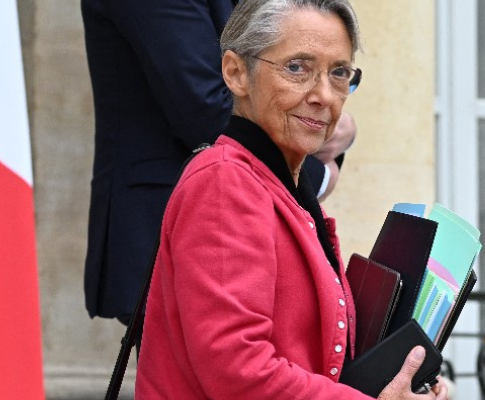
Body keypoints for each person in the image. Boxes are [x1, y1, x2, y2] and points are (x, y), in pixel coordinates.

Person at [134, 0, 448, 399]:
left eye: (339, 73)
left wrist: (401, 382)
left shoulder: (282, 190)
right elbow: (237, 371)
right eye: (297, 67)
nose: (322, 95)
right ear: (236, 74)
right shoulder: (226, 182)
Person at [80, 0, 356, 325]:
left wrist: (327, 137)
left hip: (249, 213)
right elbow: (205, 108)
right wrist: (318, 174)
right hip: (172, 222)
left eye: (340, 73)